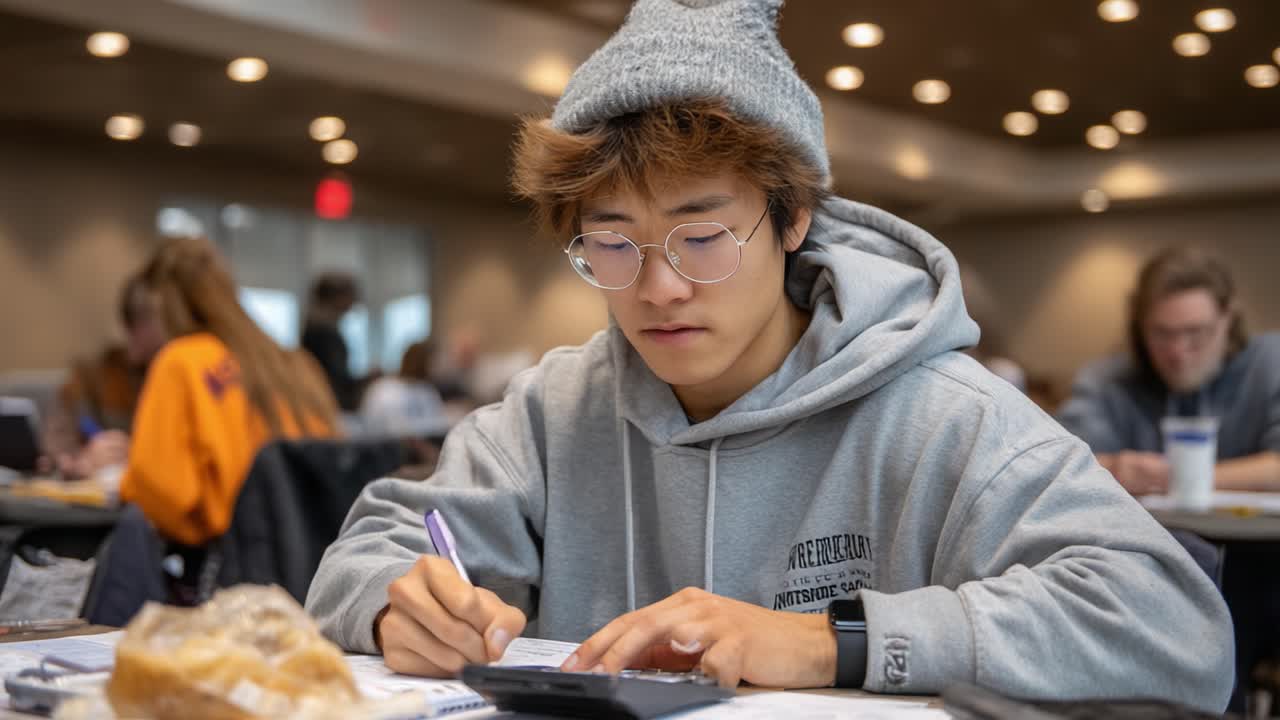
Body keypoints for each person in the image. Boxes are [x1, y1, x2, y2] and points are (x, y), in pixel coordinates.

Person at [307, 0, 1232, 709]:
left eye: (702, 237)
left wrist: (837, 642)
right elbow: (370, 552)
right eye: (613, 243)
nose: (658, 287)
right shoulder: (557, 408)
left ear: (793, 219)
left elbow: (1178, 626)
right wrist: (398, 607)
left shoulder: (940, 412)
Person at [121, 237, 338, 546]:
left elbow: (164, 494)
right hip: (315, 563)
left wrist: (123, 482)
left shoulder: (181, 361)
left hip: (230, 567)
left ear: (162, 303)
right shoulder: (297, 364)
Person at [1058, 246, 1280, 495]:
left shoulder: (1270, 362)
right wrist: (1114, 466)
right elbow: (1062, 465)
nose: (1178, 352)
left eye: (1196, 332)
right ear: (1139, 326)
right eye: (1162, 333)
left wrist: (1171, 479)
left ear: (1227, 319)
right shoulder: (1105, 380)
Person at [43, 273, 166, 478]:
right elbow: (56, 450)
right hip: (101, 497)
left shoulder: (189, 380)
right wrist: (82, 460)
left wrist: (138, 457)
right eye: (137, 320)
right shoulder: (93, 376)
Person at [360, 340, 450, 439]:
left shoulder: (427, 390)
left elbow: (437, 423)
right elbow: (391, 431)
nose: (442, 366)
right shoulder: (384, 390)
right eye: (437, 361)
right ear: (422, 362)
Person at [302, 271, 361, 412]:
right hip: (328, 406)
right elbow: (335, 378)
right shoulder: (323, 331)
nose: (353, 302)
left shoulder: (316, 327)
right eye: (350, 295)